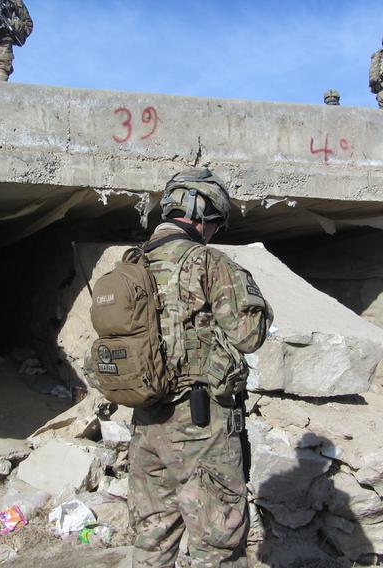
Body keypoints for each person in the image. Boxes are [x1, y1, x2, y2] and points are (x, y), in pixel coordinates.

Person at [128, 168, 273, 567]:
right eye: (214, 223)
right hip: (200, 424)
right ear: (199, 212)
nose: (213, 232)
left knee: (152, 539)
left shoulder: (134, 263)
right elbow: (249, 335)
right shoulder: (207, 262)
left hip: (146, 423)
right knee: (218, 542)